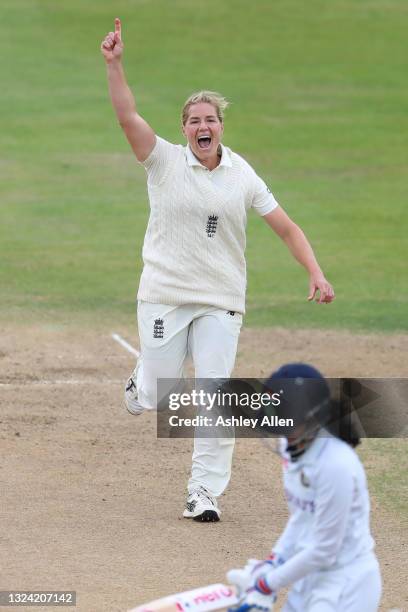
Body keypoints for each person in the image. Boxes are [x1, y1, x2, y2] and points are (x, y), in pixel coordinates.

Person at [101, 19, 335, 522]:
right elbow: (127, 118)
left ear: (221, 126)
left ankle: (203, 492)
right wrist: (115, 65)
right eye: (194, 121)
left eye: (210, 119)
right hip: (164, 293)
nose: (203, 127)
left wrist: (315, 271)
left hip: (221, 300)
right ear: (184, 128)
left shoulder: (241, 174)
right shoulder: (162, 161)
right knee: (161, 391)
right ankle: (142, 382)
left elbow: (287, 227)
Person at [227, 363, 382, 611]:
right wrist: (271, 563)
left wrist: (267, 585)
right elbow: (301, 519)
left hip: (346, 585)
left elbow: (325, 550)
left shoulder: (336, 466)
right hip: (308, 578)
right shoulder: (293, 448)